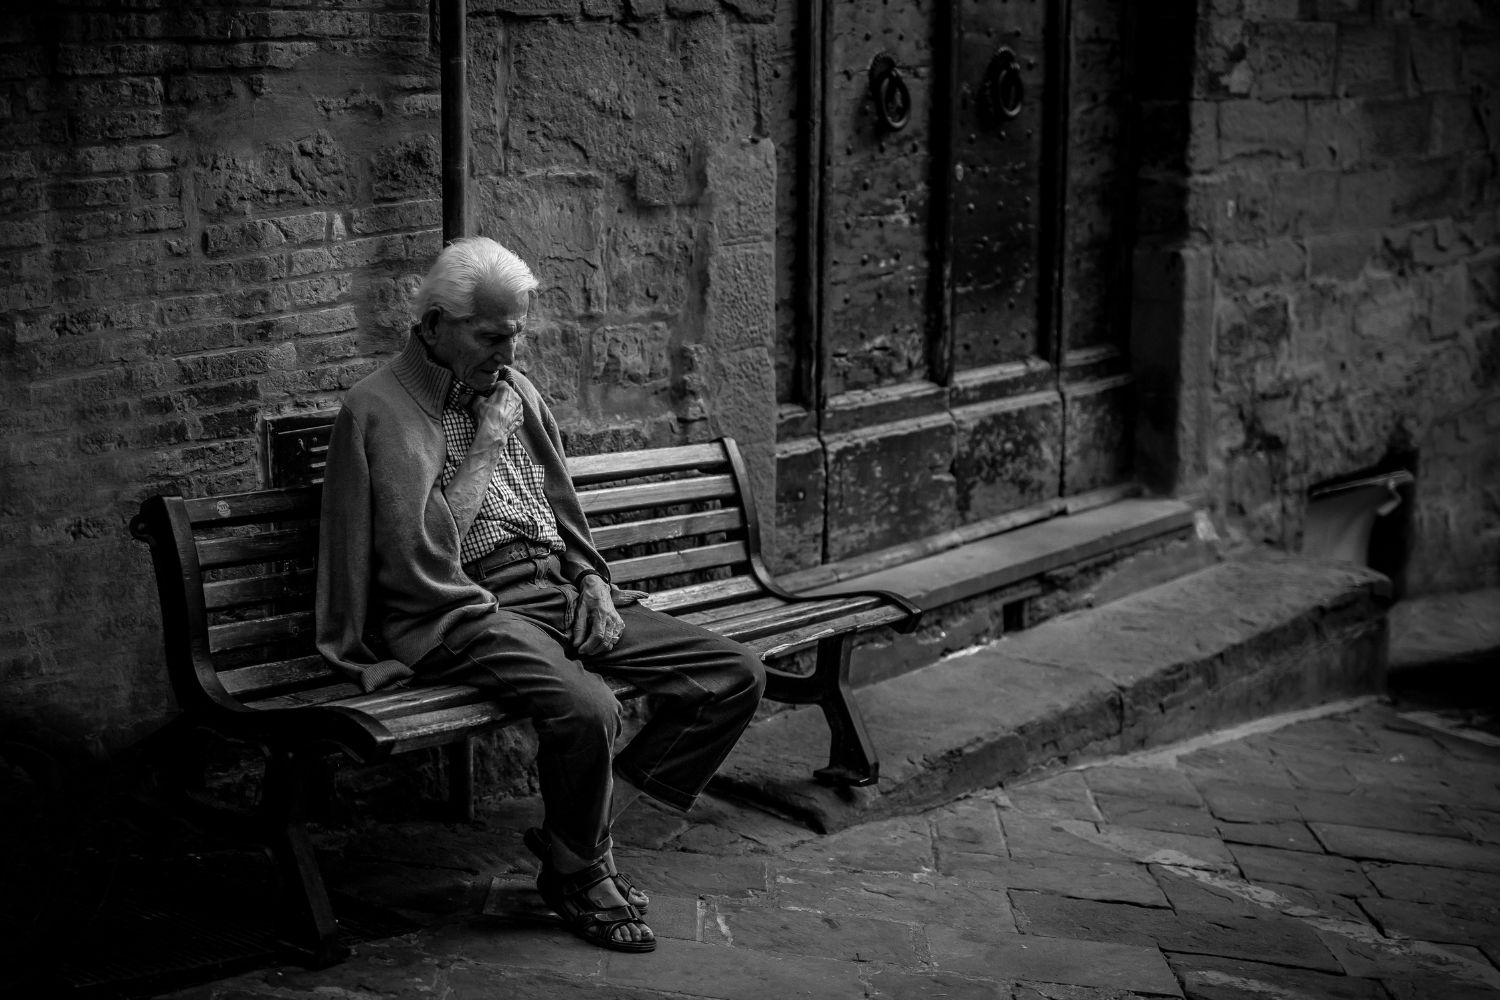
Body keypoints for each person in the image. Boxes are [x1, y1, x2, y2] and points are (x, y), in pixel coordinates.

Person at [315, 236, 766, 953]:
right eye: (491, 336)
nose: (509, 355)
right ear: (433, 324)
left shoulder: (515, 388)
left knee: (732, 674)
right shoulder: (377, 410)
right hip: (462, 605)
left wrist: (593, 581)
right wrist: (490, 441)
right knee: (589, 706)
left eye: (515, 336)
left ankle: (573, 847)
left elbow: (561, 505)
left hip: (554, 585)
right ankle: (584, 871)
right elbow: (425, 555)